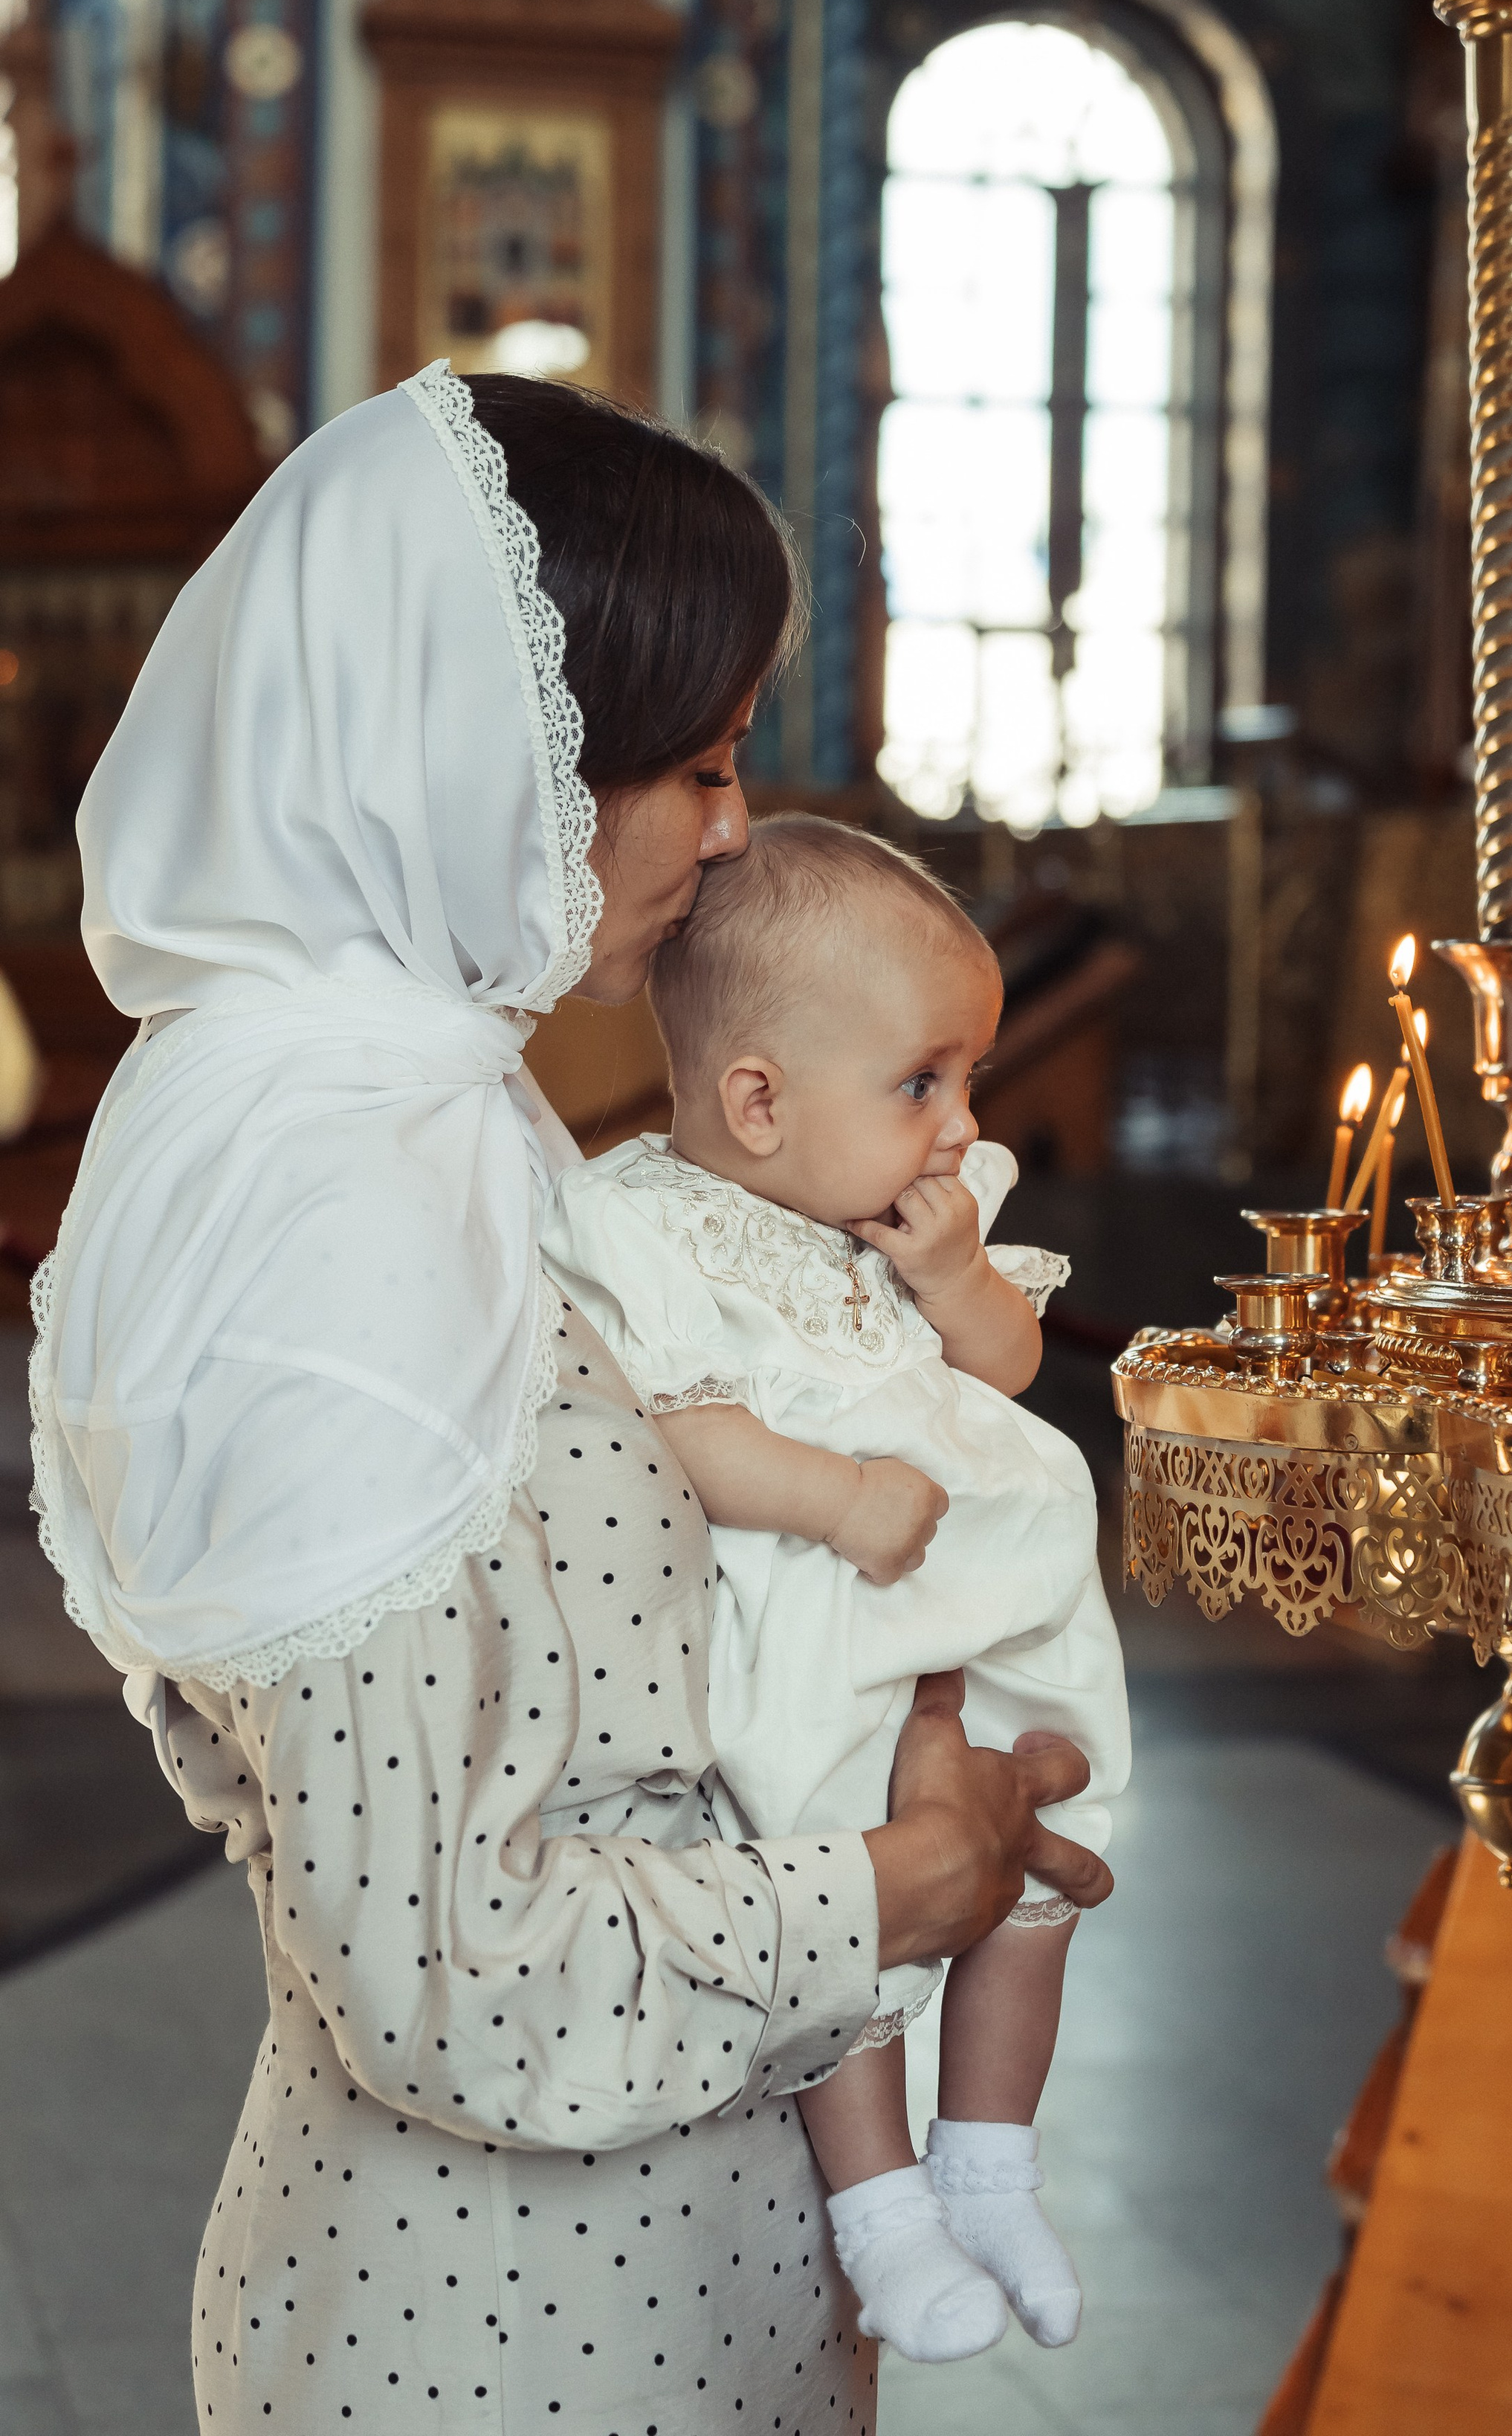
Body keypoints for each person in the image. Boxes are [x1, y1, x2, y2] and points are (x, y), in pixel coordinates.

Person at [28, 364, 1110, 2435]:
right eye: (693, 768)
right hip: (497, 2335)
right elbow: (443, 1965)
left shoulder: (420, 1100)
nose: (728, 837)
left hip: (647, 2273)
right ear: (494, 748)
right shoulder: (336, 1196)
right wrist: (897, 1887)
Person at [544, 817, 1130, 2365]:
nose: (958, 1125)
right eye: (923, 1081)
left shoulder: (905, 1213)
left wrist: (954, 1285)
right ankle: (878, 2212)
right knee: (839, 1874)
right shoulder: (645, 1229)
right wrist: (844, 1498)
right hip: (819, 1602)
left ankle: (988, 2159)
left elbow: (1002, 1376)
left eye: (966, 1081)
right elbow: (674, 1430)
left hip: (981, 1594)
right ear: (757, 1100)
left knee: (1049, 1851)